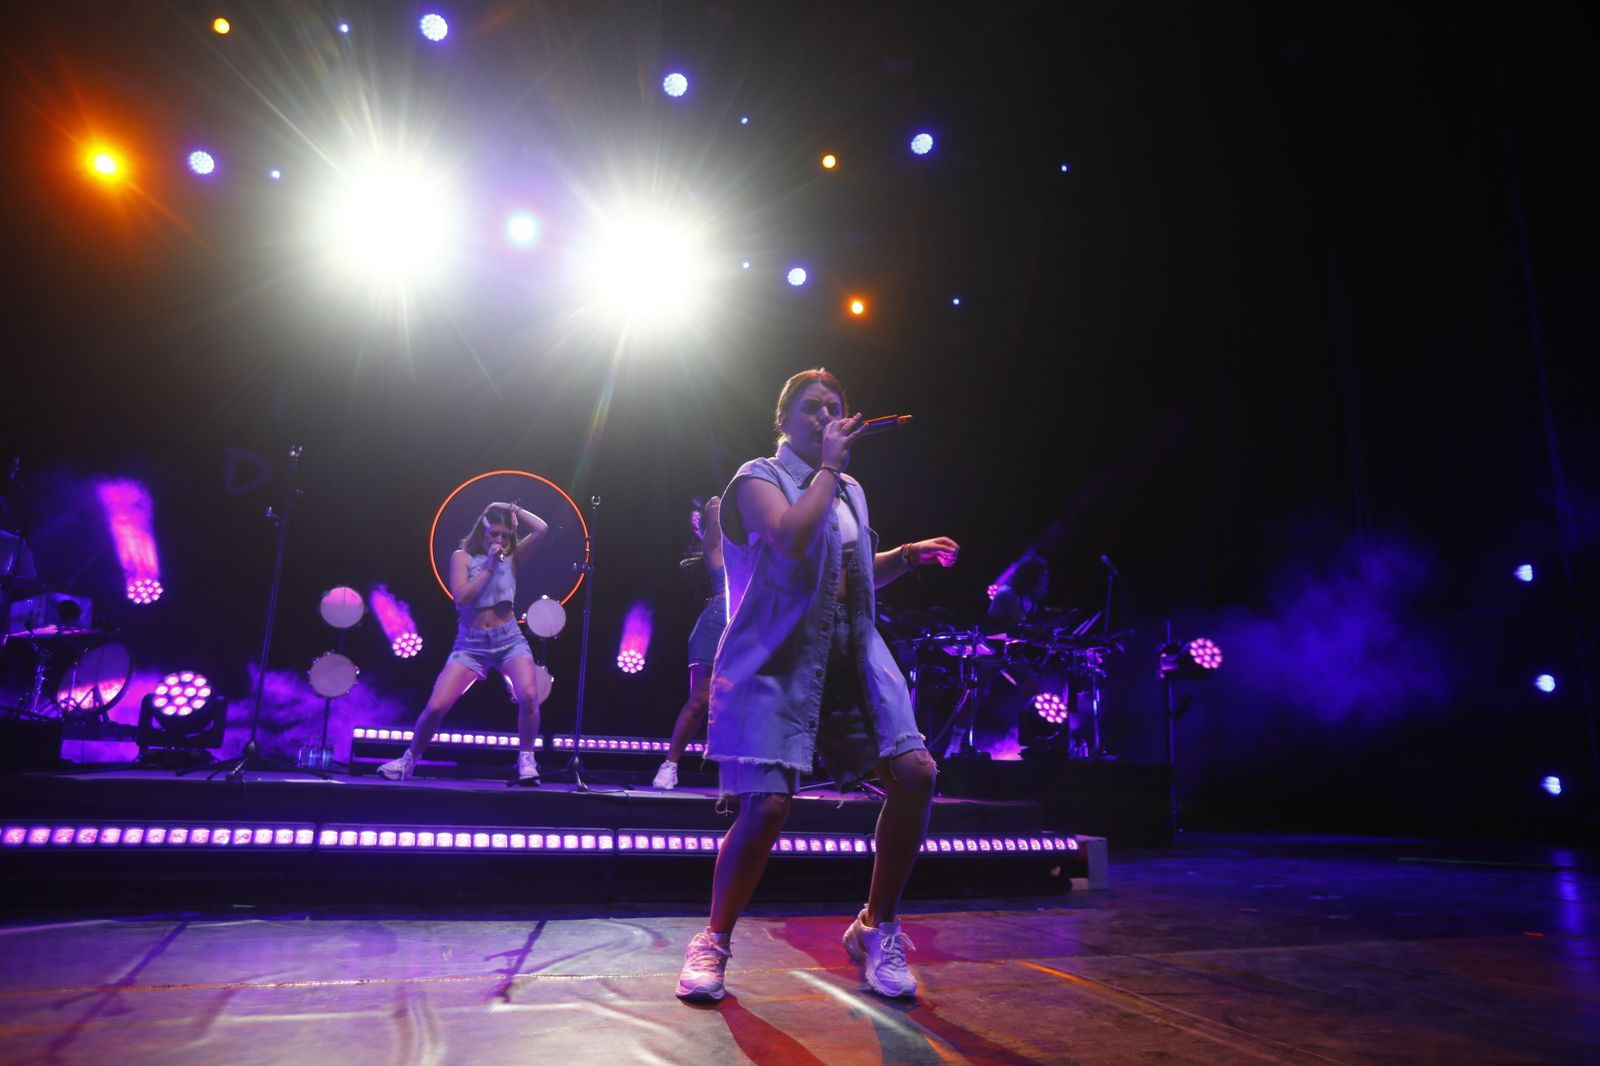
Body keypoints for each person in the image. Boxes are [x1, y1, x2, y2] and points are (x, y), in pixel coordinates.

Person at [676, 369, 960, 1003]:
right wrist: (828, 468)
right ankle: (713, 941)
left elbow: (852, 574)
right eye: (811, 407)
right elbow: (791, 538)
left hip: (851, 651)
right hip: (776, 658)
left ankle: (875, 927)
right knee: (768, 808)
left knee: (915, 775)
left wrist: (908, 555)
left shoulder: (850, 490)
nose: (825, 415)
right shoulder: (757, 480)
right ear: (783, 419)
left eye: (834, 407)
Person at [379, 501, 549, 784]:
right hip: (471, 644)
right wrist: (489, 568)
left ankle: (527, 760)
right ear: (482, 532)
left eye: (505, 535)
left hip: (509, 640)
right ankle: (408, 760)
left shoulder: (513, 559)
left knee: (530, 696)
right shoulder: (463, 558)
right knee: (436, 707)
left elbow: (542, 529)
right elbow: (462, 597)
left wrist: (511, 510)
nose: (499, 540)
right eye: (494, 533)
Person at [653, 495, 726, 790]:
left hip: (753, 628)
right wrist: (729, 501)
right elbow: (713, 510)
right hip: (716, 624)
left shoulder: (761, 552)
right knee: (700, 700)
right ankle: (670, 765)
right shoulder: (720, 554)